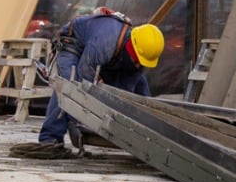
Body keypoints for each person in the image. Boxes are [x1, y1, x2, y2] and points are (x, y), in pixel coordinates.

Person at [38, 9, 165, 148]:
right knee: (70, 87)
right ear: (132, 47)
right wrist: (77, 120)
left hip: (103, 56)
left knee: (140, 84)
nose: (138, 64)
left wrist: (120, 121)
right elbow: (84, 75)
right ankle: (49, 138)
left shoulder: (137, 54)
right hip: (73, 45)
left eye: (141, 62)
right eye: (137, 60)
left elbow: (124, 92)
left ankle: (152, 136)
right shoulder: (105, 42)